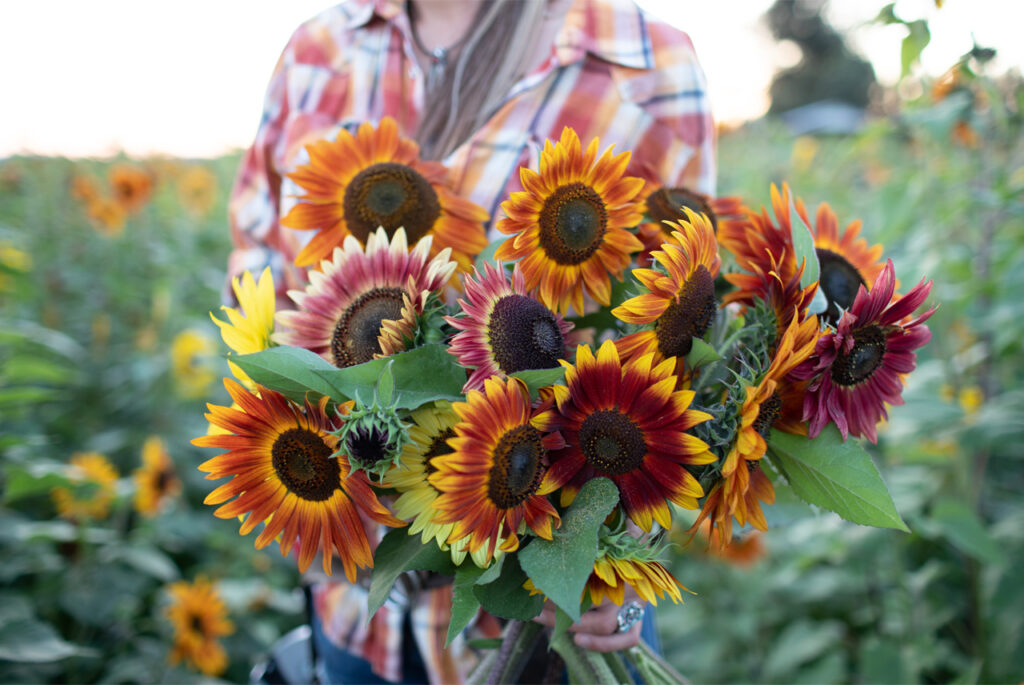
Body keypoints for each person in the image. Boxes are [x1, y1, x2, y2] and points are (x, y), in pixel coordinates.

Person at [228, 0, 716, 682]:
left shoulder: (643, 60)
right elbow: (257, 279)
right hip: (357, 611)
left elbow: (678, 345)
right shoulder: (320, 50)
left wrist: (621, 560)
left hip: (556, 626)